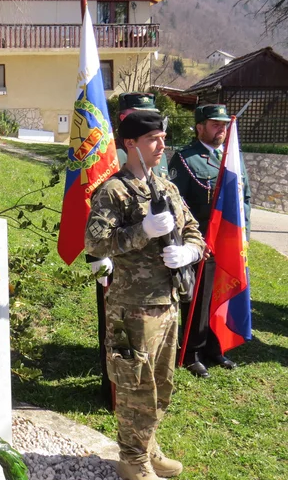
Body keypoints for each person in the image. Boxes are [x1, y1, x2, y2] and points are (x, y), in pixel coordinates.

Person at [85, 111, 205, 480]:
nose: (162, 144)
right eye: (153, 138)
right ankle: (132, 460)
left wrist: (188, 251)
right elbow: (95, 242)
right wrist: (143, 230)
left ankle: (149, 447)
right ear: (130, 144)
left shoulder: (166, 188)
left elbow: (194, 231)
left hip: (166, 303)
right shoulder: (113, 191)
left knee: (162, 383)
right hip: (131, 306)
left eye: (162, 137)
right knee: (136, 385)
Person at [88, 92, 169, 408]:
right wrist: (96, 256)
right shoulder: (108, 149)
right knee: (113, 324)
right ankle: (111, 386)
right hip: (112, 249)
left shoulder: (151, 152)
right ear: (122, 117)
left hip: (148, 264)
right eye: (136, 113)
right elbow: (93, 195)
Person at [168, 104, 251, 378]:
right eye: (215, 124)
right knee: (199, 300)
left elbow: (244, 200)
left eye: (224, 124)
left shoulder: (232, 158)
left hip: (230, 245)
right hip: (202, 244)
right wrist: (191, 244)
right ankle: (192, 352)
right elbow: (177, 207)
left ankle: (216, 349)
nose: (222, 129)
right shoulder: (185, 160)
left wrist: (243, 238)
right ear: (200, 126)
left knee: (223, 295)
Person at [115, 92, 169, 178]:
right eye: (139, 113)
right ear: (123, 118)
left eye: (152, 114)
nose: (148, 118)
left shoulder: (160, 156)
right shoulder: (111, 154)